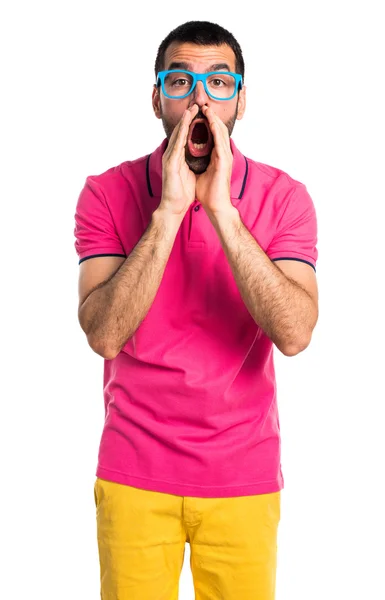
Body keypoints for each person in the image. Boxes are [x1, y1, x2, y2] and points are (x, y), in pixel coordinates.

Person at [73, 19, 318, 600]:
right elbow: (104, 332)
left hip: (243, 476)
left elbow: (295, 333)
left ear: (241, 100)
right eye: (181, 81)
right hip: (134, 472)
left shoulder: (285, 198)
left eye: (219, 82)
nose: (201, 98)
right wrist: (169, 210)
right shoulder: (106, 193)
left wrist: (223, 212)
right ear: (157, 97)